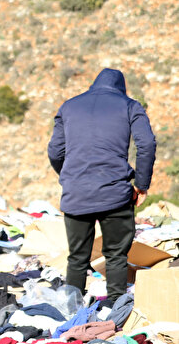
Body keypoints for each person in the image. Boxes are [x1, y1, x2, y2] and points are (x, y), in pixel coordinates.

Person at [47, 68, 156, 304]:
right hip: (115, 193)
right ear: (121, 87)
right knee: (116, 255)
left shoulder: (68, 106)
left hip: (76, 194)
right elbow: (146, 144)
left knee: (76, 257)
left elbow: (55, 151)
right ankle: (116, 307)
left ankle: (71, 308)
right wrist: (141, 184)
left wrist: (70, 176)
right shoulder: (129, 105)